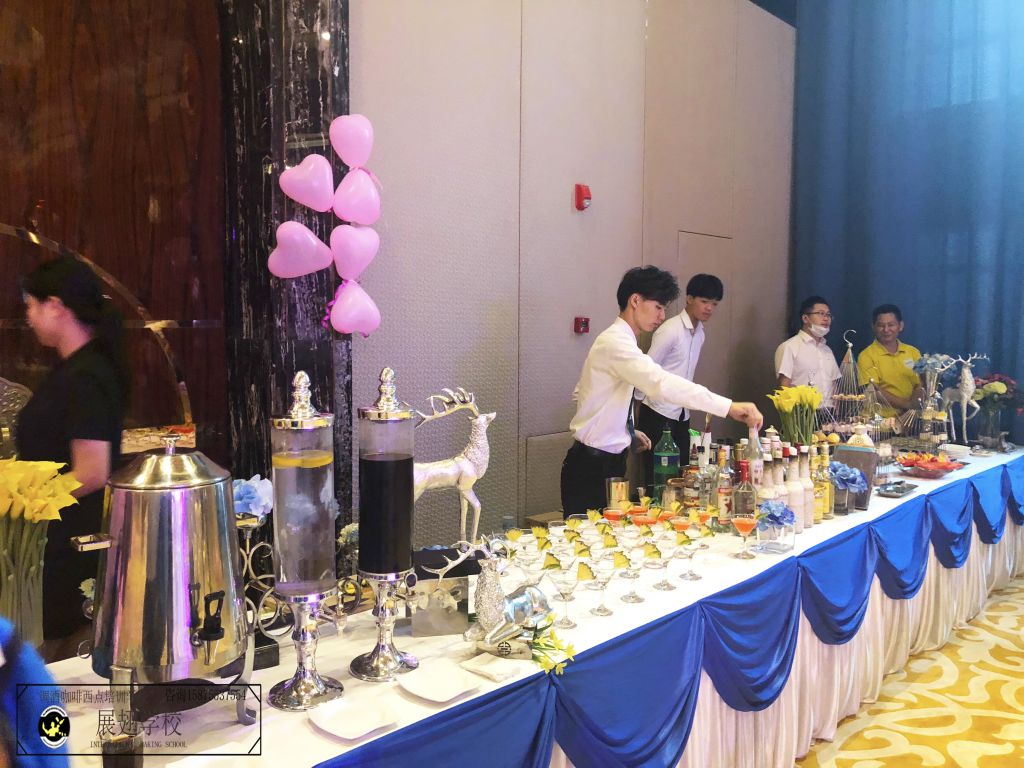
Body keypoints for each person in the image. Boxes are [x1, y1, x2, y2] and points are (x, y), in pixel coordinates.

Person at [560, 266, 762, 518]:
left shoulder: (621, 341)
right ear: (635, 300)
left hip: (608, 461)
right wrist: (727, 407)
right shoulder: (615, 342)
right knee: (588, 539)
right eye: (658, 307)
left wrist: (625, 430)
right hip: (591, 465)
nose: (661, 315)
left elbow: (586, 393)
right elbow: (660, 382)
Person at [16, 258, 127, 662]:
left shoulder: (87, 376)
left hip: (71, 543)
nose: (28, 317)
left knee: (62, 661)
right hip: (57, 541)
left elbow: (92, 471)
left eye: (31, 306)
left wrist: (23, 502)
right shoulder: (77, 369)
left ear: (56, 306)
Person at [635, 273, 723, 487]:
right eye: (704, 301)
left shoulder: (700, 333)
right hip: (657, 410)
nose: (709, 308)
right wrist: (635, 413)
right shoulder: (671, 329)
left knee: (684, 472)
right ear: (689, 298)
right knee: (657, 477)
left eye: (714, 304)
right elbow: (646, 370)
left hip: (682, 412)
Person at [775, 295, 841, 404]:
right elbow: (784, 387)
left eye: (828, 315)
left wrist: (837, 411)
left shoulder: (827, 350)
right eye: (820, 313)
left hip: (829, 411)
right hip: (802, 411)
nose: (826, 318)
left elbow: (833, 385)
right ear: (805, 318)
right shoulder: (789, 347)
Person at [857, 303, 922, 414]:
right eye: (881, 325)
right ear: (873, 327)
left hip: (911, 418)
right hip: (879, 421)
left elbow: (921, 384)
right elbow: (873, 391)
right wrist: (908, 405)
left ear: (900, 326)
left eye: (891, 325)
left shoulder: (913, 352)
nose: (886, 330)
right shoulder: (866, 356)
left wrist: (912, 411)